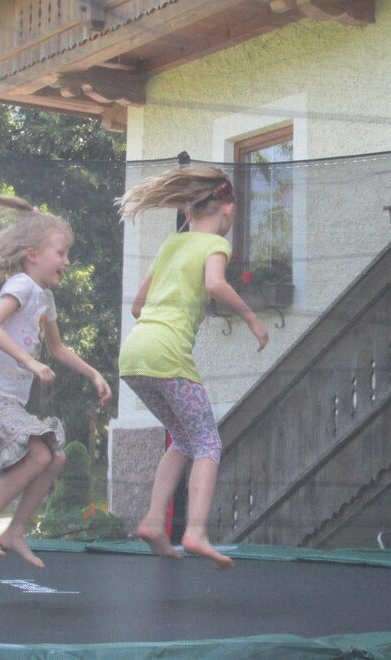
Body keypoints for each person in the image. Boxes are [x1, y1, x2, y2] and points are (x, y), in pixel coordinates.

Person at [118, 166, 268, 570]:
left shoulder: (172, 243)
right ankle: (196, 532)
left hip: (134, 356)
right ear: (228, 208)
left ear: (190, 209)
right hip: (168, 355)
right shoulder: (214, 245)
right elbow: (216, 285)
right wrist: (252, 319)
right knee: (207, 443)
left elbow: (137, 306)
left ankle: (153, 521)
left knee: (183, 440)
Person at [0, 194, 112, 568]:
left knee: (55, 457)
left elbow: (57, 348)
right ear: (32, 254)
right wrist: (29, 361)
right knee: (40, 454)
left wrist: (93, 373)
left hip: (4, 398)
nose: (67, 261)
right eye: (60, 253)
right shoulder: (22, 286)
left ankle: (16, 531)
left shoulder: (44, 298)